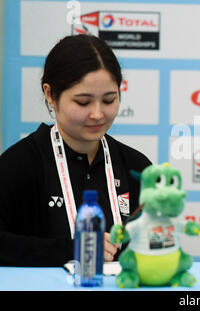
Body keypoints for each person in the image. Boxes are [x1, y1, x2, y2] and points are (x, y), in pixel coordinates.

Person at [0, 35, 152, 267]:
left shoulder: (136, 166)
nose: (98, 114)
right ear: (51, 95)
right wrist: (74, 249)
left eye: (109, 100)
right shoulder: (18, 165)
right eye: (83, 102)